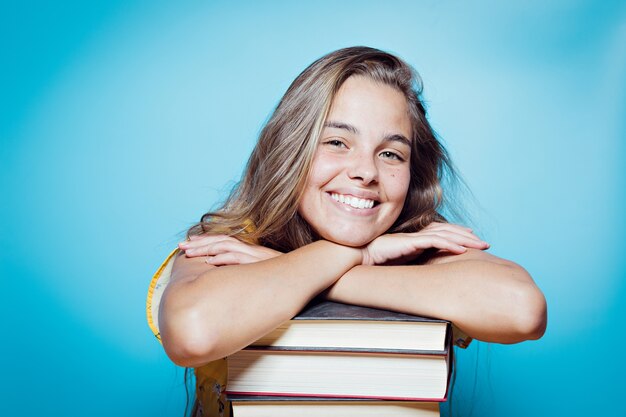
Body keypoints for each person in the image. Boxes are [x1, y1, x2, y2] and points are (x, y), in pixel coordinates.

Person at [146, 46, 547, 417]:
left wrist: (327, 273)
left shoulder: (422, 243)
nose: (366, 172)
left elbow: (522, 309)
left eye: (391, 153)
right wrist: (352, 255)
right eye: (337, 142)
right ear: (292, 150)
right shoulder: (228, 244)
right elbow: (193, 333)